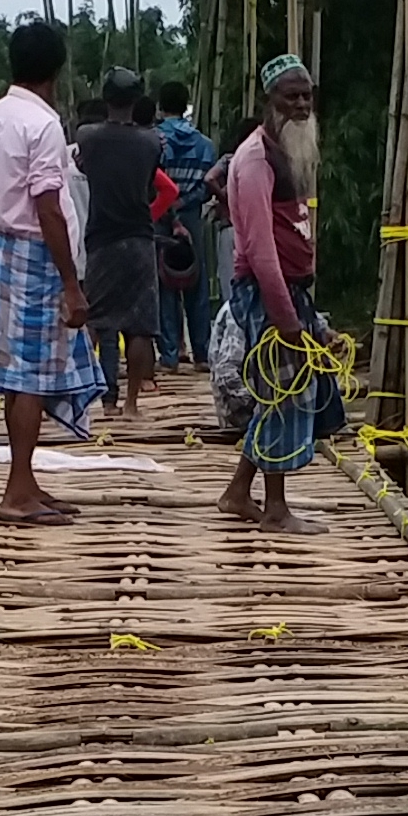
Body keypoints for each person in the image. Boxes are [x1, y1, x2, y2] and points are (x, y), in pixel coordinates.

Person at [0, 16, 102, 520]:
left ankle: (23, 480)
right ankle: (18, 492)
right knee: (27, 376)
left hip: (6, 248)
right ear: (55, 70)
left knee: (17, 374)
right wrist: (72, 284)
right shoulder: (43, 125)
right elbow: (48, 205)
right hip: (37, 253)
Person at [215, 55, 326, 530]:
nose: (301, 105)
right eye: (290, 96)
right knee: (282, 394)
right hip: (266, 291)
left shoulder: (286, 152)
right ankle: (276, 510)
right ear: (269, 101)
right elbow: (261, 253)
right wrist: (289, 324)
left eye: (306, 95)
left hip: (288, 289)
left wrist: (311, 318)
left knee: (282, 393)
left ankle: (238, 492)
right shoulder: (257, 160)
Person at [73, 68, 168, 416]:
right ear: (136, 100)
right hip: (140, 237)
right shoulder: (151, 141)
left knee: (96, 320)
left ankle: (82, 397)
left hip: (101, 237)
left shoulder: (88, 136)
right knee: (140, 325)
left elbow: (82, 165)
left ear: (105, 97)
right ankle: (130, 404)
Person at [151, 79, 217, 371]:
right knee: (196, 282)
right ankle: (202, 353)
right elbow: (209, 187)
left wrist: (169, 206)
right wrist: (186, 202)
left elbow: (150, 183)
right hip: (192, 214)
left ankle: (169, 355)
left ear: (160, 107)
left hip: (159, 213)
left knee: (163, 282)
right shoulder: (205, 145)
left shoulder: (154, 140)